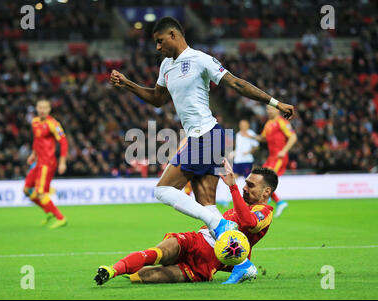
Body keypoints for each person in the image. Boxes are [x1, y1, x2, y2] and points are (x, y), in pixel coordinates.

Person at [110, 16, 294, 240]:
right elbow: (157, 99)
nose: (158, 47)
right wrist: (127, 84)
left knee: (163, 191)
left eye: (160, 41)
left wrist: (275, 103)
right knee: (207, 204)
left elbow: (236, 83)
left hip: (206, 135)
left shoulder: (200, 59)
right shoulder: (166, 65)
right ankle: (240, 259)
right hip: (208, 138)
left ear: (173, 35)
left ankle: (220, 224)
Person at [94, 162, 277, 285]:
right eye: (245, 183)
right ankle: (112, 270)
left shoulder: (265, 213)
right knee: (157, 252)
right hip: (196, 239)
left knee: (146, 276)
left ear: (266, 192)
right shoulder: (242, 206)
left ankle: (127, 271)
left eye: (251, 185)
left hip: (206, 261)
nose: (245, 187)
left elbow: (249, 222)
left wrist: (233, 187)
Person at [23, 99, 68, 229]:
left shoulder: (53, 124)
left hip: (47, 163)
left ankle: (61, 218)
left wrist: (62, 162)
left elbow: (63, 142)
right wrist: (33, 154)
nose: (42, 110)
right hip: (38, 162)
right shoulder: (34, 122)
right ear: (37, 109)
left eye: (45, 108)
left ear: (49, 110)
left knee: (40, 193)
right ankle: (48, 211)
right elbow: (37, 140)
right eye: (40, 107)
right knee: (26, 190)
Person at [254, 105, 297, 218]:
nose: (268, 111)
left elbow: (293, 137)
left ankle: (264, 208)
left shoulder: (282, 122)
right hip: (271, 157)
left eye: (271, 108)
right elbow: (263, 138)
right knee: (260, 179)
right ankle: (279, 203)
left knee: (266, 180)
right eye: (267, 109)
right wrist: (249, 135)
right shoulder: (268, 124)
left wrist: (284, 151)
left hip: (279, 157)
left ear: (277, 110)